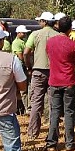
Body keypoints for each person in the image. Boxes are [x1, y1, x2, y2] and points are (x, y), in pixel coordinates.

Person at [45, 16, 75, 151]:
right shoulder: (72, 44)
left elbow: (50, 57)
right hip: (69, 81)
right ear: (70, 28)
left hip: (54, 80)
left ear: (58, 26)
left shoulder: (50, 42)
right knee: (69, 112)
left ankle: (51, 143)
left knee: (55, 112)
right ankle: (69, 143)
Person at [23, 12, 58, 141]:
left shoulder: (35, 34)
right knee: (53, 102)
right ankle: (52, 133)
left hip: (38, 71)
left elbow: (26, 53)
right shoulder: (58, 35)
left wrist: (29, 66)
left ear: (43, 22)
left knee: (36, 102)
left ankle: (33, 133)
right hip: (54, 72)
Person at [11, 25, 30, 115]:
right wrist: (27, 64)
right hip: (20, 67)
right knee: (22, 89)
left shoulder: (23, 42)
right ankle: (26, 108)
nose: (25, 34)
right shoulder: (16, 43)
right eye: (23, 33)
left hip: (23, 66)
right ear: (18, 33)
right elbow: (20, 56)